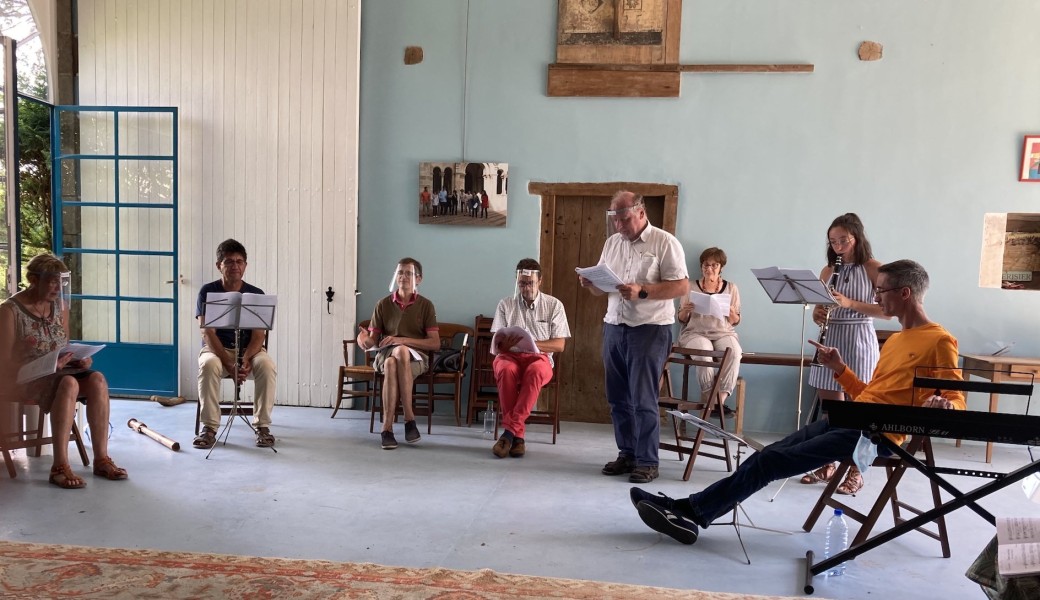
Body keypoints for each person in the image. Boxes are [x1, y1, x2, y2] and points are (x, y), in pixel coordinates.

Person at [630, 259, 964, 545]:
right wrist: (841, 370)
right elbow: (869, 395)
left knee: (769, 463)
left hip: (878, 435)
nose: (876, 297)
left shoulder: (939, 340)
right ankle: (691, 510)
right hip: (854, 418)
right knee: (769, 455)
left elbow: (956, 403)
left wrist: (945, 406)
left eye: (881, 291)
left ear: (904, 293)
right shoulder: (895, 341)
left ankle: (690, 511)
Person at [579, 191, 689, 484]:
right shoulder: (612, 243)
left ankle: (647, 461)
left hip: (650, 329)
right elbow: (601, 289)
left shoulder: (664, 242)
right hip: (614, 326)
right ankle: (627, 453)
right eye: (615, 219)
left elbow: (681, 286)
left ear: (641, 212)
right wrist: (592, 283)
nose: (619, 226)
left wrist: (643, 291)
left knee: (643, 399)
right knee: (617, 398)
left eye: (624, 219)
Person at [0, 254, 128, 488]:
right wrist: (46, 366)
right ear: (33, 280)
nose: (58, 287)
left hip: (59, 373)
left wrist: (78, 360)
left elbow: (63, 345)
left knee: (97, 378)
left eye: (61, 281)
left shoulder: (60, 306)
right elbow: (4, 363)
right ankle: (59, 466)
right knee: (69, 383)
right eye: (52, 281)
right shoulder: (9, 311)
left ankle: (101, 458)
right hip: (25, 378)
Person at [803, 213, 889, 494]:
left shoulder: (874, 268)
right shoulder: (828, 271)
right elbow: (819, 310)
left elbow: (887, 312)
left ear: (857, 237)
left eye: (844, 240)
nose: (838, 245)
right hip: (831, 338)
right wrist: (818, 313)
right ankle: (828, 462)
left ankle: (856, 471)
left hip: (858, 339)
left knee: (859, 408)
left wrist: (850, 302)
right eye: (833, 241)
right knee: (833, 412)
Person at [193, 239, 278, 450]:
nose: (235, 266)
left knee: (267, 366)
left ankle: (262, 427)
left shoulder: (255, 294)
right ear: (218, 265)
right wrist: (229, 362)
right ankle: (210, 428)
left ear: (245, 265)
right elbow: (207, 331)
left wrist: (246, 358)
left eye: (240, 261)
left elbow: (259, 334)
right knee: (209, 365)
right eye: (229, 261)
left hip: (250, 350)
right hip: (217, 349)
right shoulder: (207, 291)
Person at [489, 258, 571, 458]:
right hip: (510, 356)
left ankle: (509, 433)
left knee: (535, 372)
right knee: (505, 369)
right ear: (517, 281)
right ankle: (518, 438)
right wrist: (504, 345)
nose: (526, 288)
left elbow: (559, 345)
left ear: (540, 281)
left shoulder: (554, 305)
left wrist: (534, 344)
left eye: (530, 283)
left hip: (539, 359)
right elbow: (497, 343)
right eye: (522, 283)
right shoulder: (505, 304)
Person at [357, 258, 441, 449]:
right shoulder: (383, 304)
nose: (403, 276)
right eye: (400, 272)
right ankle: (409, 420)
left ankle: (386, 429)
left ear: (418, 279)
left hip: (417, 359)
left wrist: (401, 340)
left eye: (408, 273)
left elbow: (434, 343)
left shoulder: (426, 305)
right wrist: (362, 340)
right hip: (385, 354)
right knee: (392, 360)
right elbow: (373, 340)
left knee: (396, 358)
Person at [676, 247, 742, 412]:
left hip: (723, 332)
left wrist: (732, 313)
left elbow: (735, 321)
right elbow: (681, 319)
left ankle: (718, 400)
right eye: (706, 264)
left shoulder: (731, 288)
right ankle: (709, 396)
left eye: (714, 265)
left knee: (734, 352)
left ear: (721, 268)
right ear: (701, 266)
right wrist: (686, 310)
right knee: (705, 353)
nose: (709, 268)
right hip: (694, 333)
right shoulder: (690, 287)